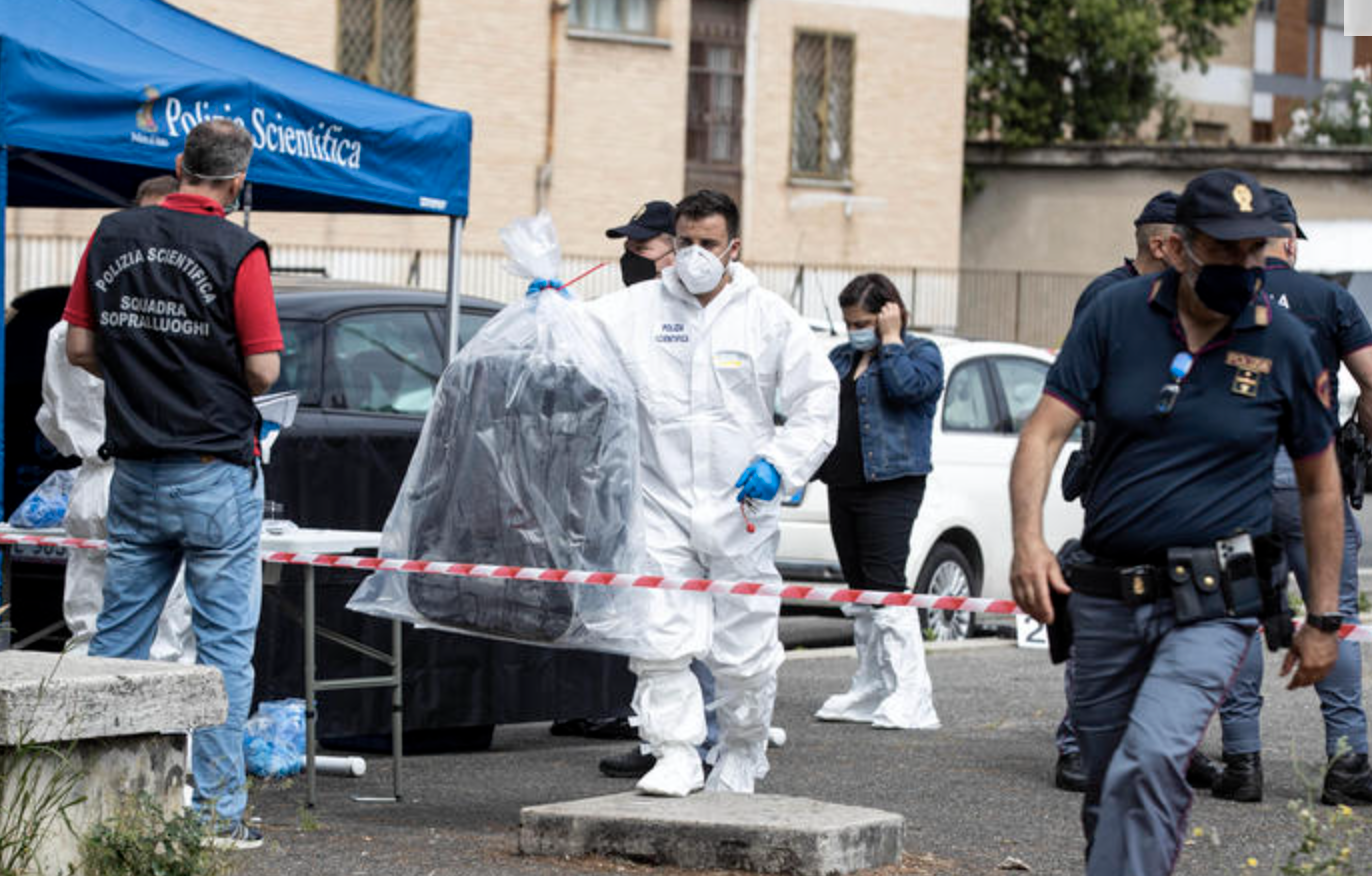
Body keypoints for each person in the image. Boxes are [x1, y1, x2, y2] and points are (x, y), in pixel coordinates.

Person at [1010, 168, 1343, 876]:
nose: (1244, 265)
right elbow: (1042, 433)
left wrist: (1322, 618)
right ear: (1180, 246)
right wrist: (1027, 543)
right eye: (1225, 249)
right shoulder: (1114, 314)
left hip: (1213, 601)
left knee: (1152, 760)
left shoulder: (1286, 343)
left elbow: (1320, 486)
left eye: (1255, 249)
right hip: (1105, 597)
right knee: (1108, 783)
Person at [64, 119, 282, 849]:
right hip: (214, 468)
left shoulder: (112, 233)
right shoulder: (239, 249)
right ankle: (217, 816)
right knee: (223, 651)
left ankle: (100, 807)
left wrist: (140, 373)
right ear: (237, 183)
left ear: (180, 162)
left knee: (117, 642)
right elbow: (264, 371)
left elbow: (81, 345)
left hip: (135, 466)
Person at [582, 189, 838, 796]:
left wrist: (780, 463)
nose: (694, 254)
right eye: (685, 241)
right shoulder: (634, 310)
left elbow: (818, 399)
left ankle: (742, 752)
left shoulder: (767, 317)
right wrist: (545, 305)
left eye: (708, 243)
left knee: (744, 651)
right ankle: (674, 752)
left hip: (739, 508)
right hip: (662, 505)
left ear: (734, 248)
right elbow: (570, 343)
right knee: (660, 639)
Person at [1054, 188, 1222, 796]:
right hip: (1122, 481)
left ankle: (1172, 743)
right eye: (1191, 244)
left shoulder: (1192, 299)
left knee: (1180, 616)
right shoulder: (1109, 298)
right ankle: (1078, 744)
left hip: (1183, 482)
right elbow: (1081, 392)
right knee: (1107, 615)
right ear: (1162, 243)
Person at [1212, 187, 1372, 806]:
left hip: (1238, 480)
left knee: (1238, 617)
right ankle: (1347, 762)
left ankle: (1242, 763)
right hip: (1310, 479)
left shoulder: (1223, 296)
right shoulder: (1329, 299)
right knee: (1336, 616)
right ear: (1289, 242)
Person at [593, 199, 727, 779]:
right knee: (658, 623)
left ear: (674, 252)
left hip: (705, 500)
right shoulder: (633, 312)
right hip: (648, 493)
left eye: (640, 248)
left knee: (696, 628)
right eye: (626, 249)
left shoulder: (710, 314)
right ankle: (661, 740)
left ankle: (710, 743)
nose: (630, 259)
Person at [39, 177, 196, 662]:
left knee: (90, 627)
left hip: (97, 478)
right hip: (153, 478)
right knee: (163, 636)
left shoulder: (68, 329)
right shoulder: (181, 322)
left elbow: (54, 422)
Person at [812, 273, 942, 730]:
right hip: (843, 483)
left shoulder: (921, 353)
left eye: (863, 323)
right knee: (860, 588)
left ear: (890, 313)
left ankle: (912, 694)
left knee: (886, 584)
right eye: (849, 324)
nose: (854, 332)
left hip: (891, 484)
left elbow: (907, 389)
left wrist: (890, 341)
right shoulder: (840, 358)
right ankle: (871, 685)